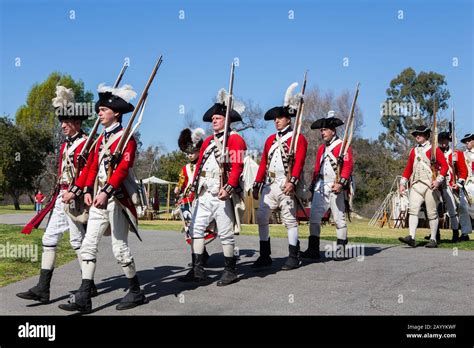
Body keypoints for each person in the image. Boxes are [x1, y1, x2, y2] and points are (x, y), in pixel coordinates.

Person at [59, 83, 147, 313]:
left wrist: (106, 191)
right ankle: (84, 297)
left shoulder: (127, 138)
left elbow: (122, 169)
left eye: (104, 109)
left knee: (119, 249)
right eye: (99, 109)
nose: (99, 112)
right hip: (97, 199)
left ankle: (136, 291)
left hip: (116, 199)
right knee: (88, 246)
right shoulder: (99, 140)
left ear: (116, 113)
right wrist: (85, 190)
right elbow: (88, 168)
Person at [17, 86, 93, 303]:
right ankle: (43, 288)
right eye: (62, 122)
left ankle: (88, 285)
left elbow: (89, 173)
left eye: (66, 122)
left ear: (77, 123)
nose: (62, 126)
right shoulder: (64, 146)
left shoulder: (86, 143)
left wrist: (76, 191)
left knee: (78, 242)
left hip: (76, 199)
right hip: (62, 197)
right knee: (49, 238)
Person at [179, 88, 246, 286]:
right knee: (195, 228)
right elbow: (199, 165)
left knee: (225, 232)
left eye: (218, 118)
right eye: (213, 118)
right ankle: (197, 269)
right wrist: (192, 186)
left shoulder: (236, 139)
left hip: (222, 192)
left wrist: (230, 187)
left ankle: (230, 270)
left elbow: (237, 167)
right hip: (204, 192)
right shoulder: (208, 141)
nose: (214, 121)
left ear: (227, 119)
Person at [252, 83, 308, 270]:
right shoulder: (270, 140)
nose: (276, 121)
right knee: (261, 217)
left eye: (280, 118)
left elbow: (299, 162)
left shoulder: (298, 138)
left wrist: (292, 182)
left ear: (289, 120)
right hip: (271, 183)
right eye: (275, 119)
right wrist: (257, 182)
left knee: (289, 220)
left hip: (286, 182)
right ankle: (265, 255)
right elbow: (263, 163)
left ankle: (294, 256)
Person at [306, 111, 354, 260]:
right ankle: (313, 250)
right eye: (321, 130)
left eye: (325, 130)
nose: (322, 132)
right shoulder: (321, 148)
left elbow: (348, 166)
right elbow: (317, 168)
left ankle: (341, 250)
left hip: (336, 184)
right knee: (314, 218)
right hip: (321, 185)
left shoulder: (342, 146)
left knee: (339, 219)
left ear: (333, 131)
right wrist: (313, 184)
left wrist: (341, 183)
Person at [398, 126, 449, 248]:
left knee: (432, 213)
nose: (417, 136)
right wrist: (402, 183)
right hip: (416, 184)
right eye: (416, 134)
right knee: (413, 210)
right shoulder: (413, 151)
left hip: (430, 184)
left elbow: (445, 166)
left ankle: (433, 239)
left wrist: (438, 181)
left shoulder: (434, 149)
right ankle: (411, 237)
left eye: (420, 134)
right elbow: (409, 168)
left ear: (426, 135)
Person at [176, 127, 215, 265]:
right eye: (188, 153)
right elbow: (182, 182)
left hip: (200, 197)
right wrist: (178, 189)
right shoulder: (185, 168)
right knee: (190, 229)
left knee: (200, 228)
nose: (190, 155)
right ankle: (201, 255)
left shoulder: (205, 164)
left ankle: (200, 257)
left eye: (193, 152)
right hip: (187, 200)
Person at [434, 132, 468, 242]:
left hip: (449, 184)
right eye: (441, 140)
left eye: (445, 140)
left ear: (449, 141)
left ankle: (455, 233)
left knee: (452, 210)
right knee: (434, 210)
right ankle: (435, 234)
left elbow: (463, 171)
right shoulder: (434, 153)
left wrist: (458, 184)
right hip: (437, 184)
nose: (443, 142)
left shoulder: (456, 153)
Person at [458, 133, 474, 241]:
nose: (467, 143)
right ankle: (465, 232)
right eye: (466, 141)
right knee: (463, 207)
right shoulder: (462, 155)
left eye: (469, 140)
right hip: (466, 183)